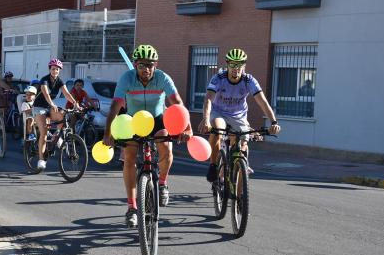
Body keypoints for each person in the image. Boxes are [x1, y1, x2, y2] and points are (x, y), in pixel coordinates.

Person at [103, 44, 192, 228]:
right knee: (129, 157)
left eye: (150, 65)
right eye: (142, 65)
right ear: (135, 65)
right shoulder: (126, 78)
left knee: (165, 143)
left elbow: (177, 103)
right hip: (134, 121)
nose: (147, 69)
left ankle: (162, 183)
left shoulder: (162, 78)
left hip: (158, 119)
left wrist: (188, 128)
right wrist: (107, 133)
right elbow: (115, 106)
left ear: (156, 65)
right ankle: (132, 207)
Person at [200, 48, 281, 183]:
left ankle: (239, 174)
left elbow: (263, 101)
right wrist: (206, 119)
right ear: (227, 65)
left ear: (244, 66)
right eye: (232, 64)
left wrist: (273, 122)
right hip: (219, 112)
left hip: (238, 115)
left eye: (239, 65)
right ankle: (213, 165)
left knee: (242, 141)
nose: (236, 68)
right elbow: (208, 99)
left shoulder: (249, 80)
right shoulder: (218, 78)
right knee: (218, 130)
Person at [32, 58, 80, 171]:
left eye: (57, 69)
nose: (55, 71)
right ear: (50, 69)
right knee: (43, 133)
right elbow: (46, 94)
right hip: (39, 107)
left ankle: (57, 135)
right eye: (53, 69)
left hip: (49, 107)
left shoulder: (59, 81)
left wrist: (75, 104)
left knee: (63, 114)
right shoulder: (44, 80)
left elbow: (67, 93)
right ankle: (41, 159)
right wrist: (53, 104)